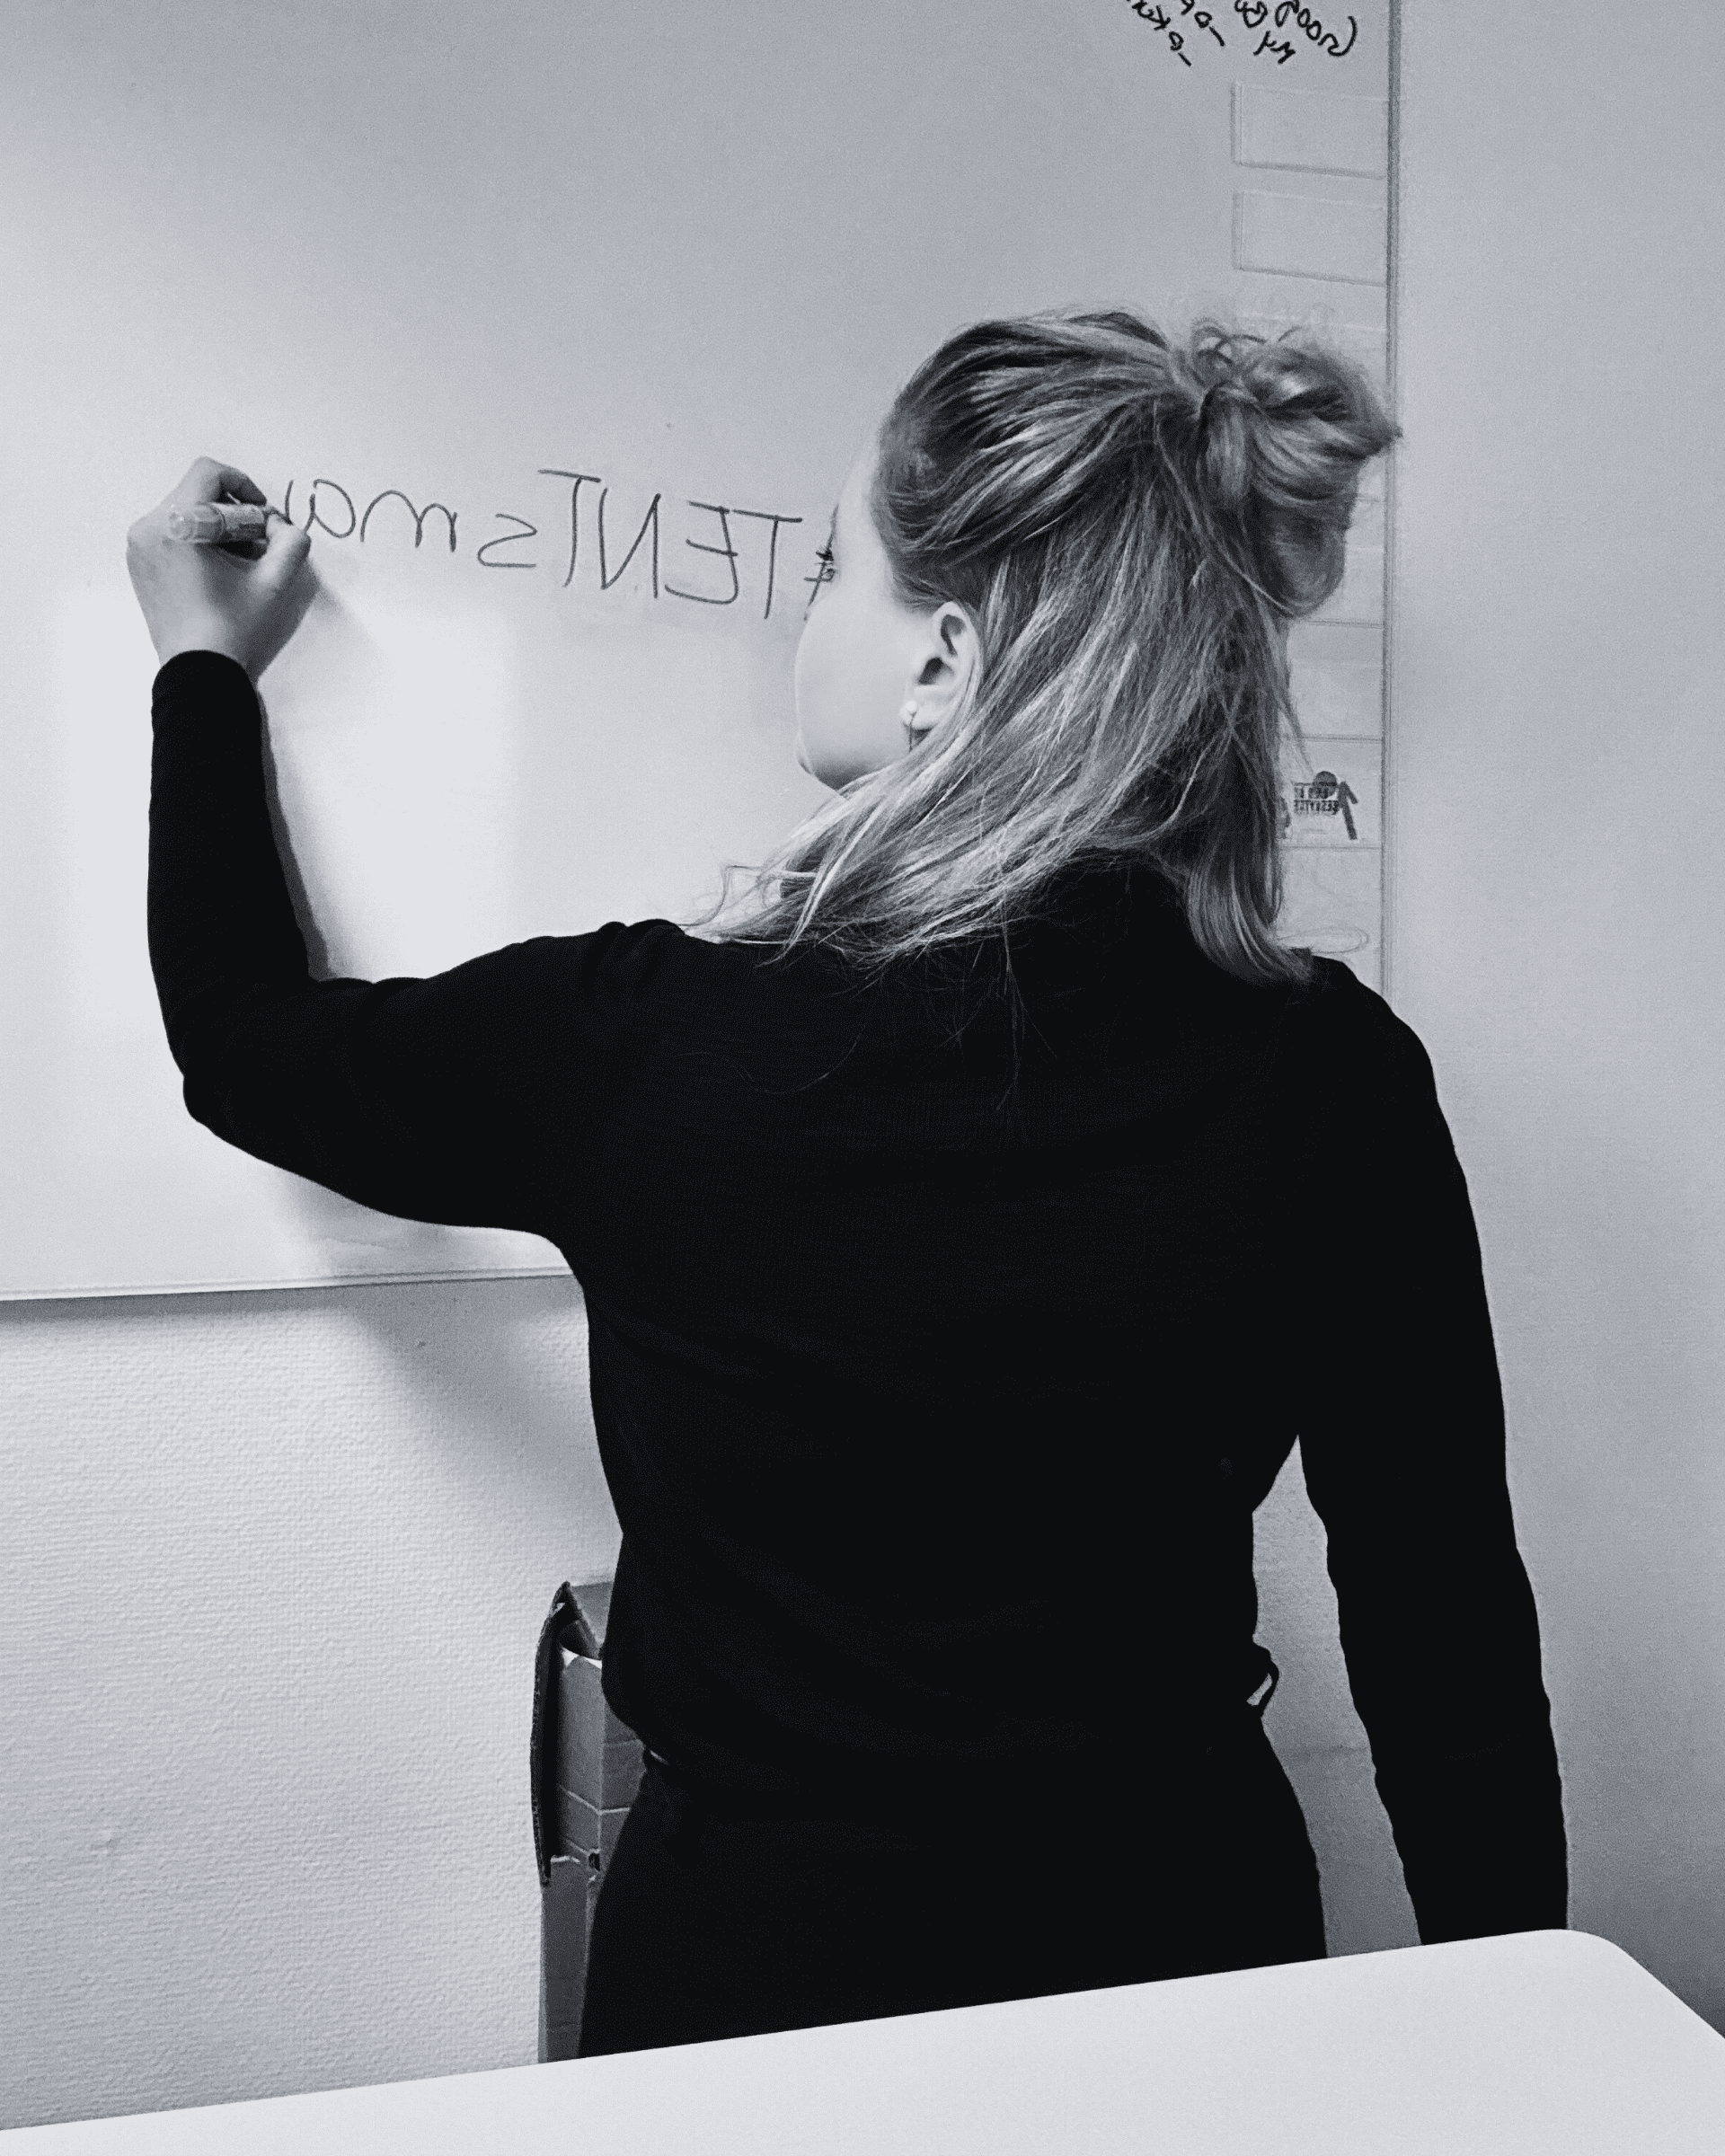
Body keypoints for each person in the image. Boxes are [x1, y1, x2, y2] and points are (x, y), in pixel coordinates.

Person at [127, 308, 1567, 2057]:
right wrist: (1531, 2034)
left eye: (827, 572)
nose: (797, 619)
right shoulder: (1327, 1072)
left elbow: (248, 1044)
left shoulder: (651, 1044)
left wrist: (203, 665)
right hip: (1187, 1959)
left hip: (759, 1982)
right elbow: (1443, 1630)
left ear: (945, 662)